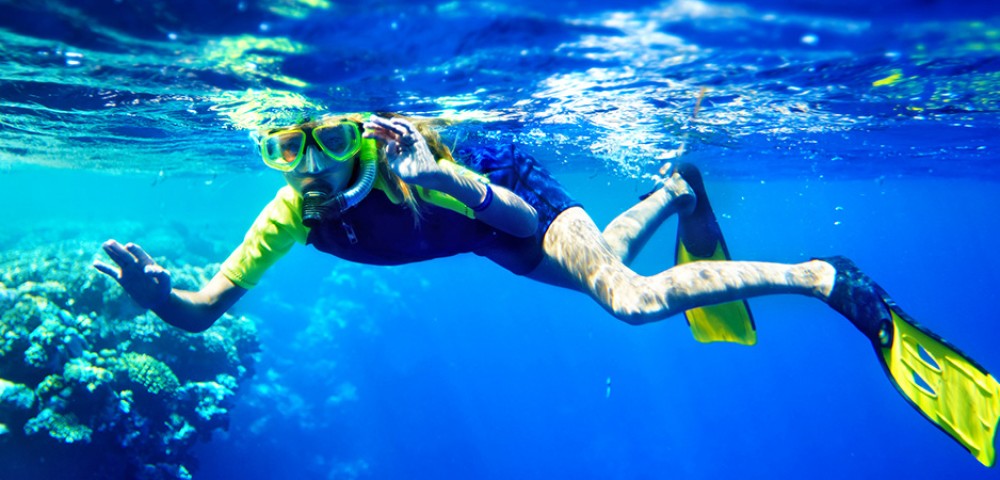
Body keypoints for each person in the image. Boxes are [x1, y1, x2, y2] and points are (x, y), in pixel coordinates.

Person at [95, 113, 999, 467]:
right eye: (282, 147)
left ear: (362, 137)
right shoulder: (293, 211)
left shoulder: (418, 165)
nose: (308, 167)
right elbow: (207, 307)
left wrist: (450, 187)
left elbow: (524, 227)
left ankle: (825, 278)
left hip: (498, 195)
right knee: (609, 265)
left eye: (324, 139)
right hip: (468, 238)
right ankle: (679, 189)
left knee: (629, 299)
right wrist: (160, 300)